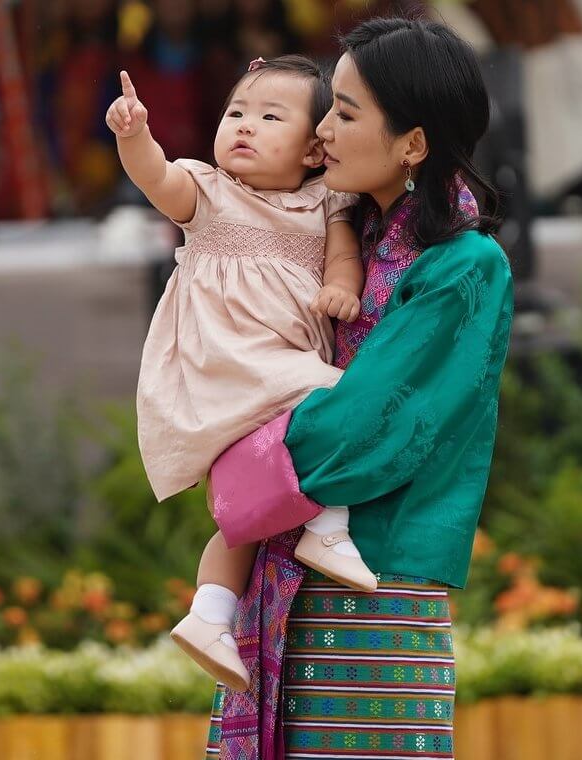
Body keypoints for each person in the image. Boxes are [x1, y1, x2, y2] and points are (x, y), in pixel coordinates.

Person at [203, 18, 514, 758]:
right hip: (287, 571)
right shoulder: (342, 241)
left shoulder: (463, 267)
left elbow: (367, 428)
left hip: (379, 582)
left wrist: (233, 451)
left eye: (345, 112)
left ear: (413, 142)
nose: (322, 130)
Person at [106, 55, 381, 693]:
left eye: (269, 116)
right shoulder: (208, 192)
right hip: (226, 363)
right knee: (338, 394)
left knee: (251, 512)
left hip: (273, 368)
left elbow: (343, 261)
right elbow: (157, 177)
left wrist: (342, 289)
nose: (244, 127)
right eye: (235, 113)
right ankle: (329, 526)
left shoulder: (328, 205)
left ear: (317, 151)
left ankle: (209, 615)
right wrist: (134, 136)